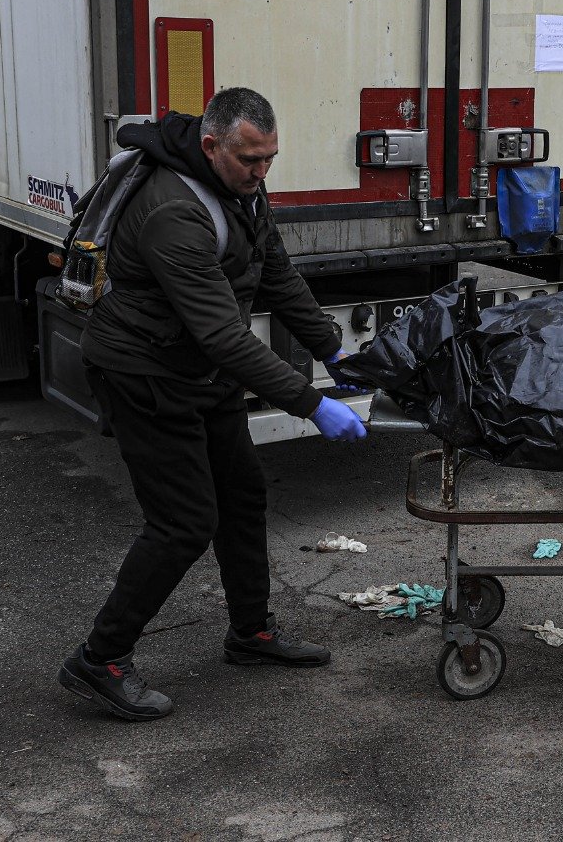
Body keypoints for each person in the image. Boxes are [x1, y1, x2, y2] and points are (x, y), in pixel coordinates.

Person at [58, 88, 369, 721]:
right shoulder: (172, 209)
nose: (261, 173)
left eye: (270, 159)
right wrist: (311, 403)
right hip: (143, 372)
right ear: (211, 146)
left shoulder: (243, 190)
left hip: (197, 369)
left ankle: (251, 634)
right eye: (250, 159)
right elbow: (222, 334)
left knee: (243, 494)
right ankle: (99, 659)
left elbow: (276, 274)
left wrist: (332, 349)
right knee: (183, 522)